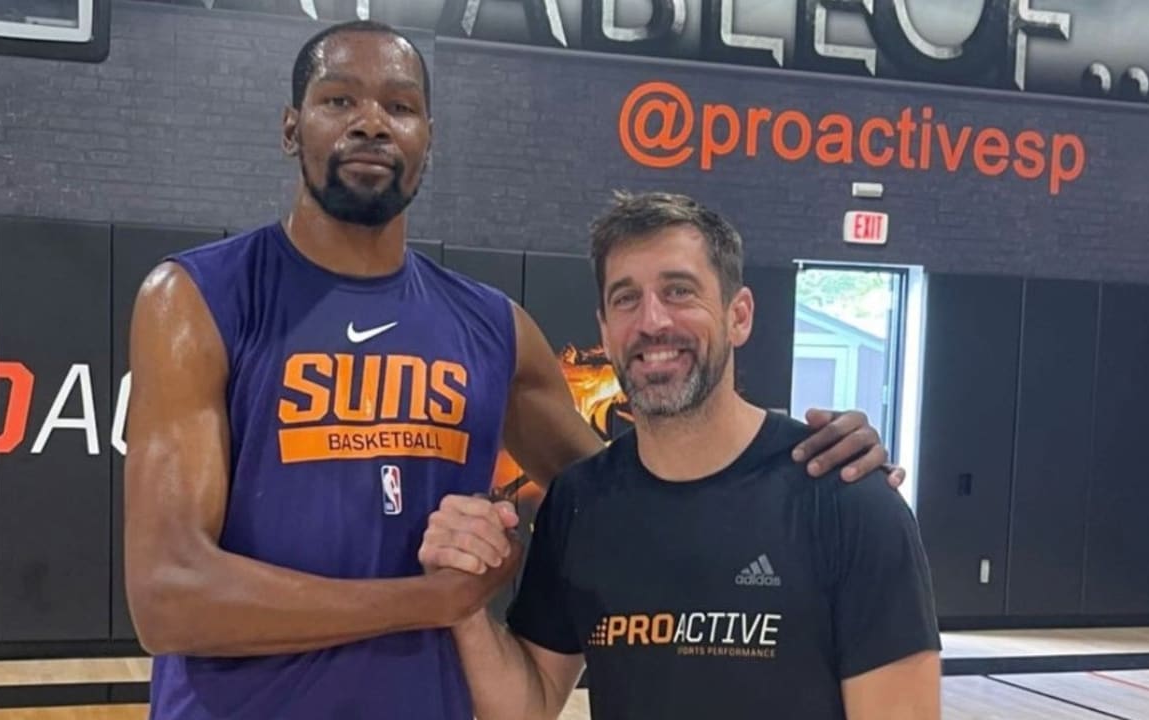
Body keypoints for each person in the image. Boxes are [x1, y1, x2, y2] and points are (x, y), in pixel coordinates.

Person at [122, 19, 903, 720]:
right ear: (292, 127)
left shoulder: (491, 327)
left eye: (399, 106)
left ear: (429, 135)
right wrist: (426, 601)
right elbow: (168, 600)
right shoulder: (198, 299)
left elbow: (638, 495)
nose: (370, 122)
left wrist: (804, 468)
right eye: (338, 100)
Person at [418, 191, 942, 720]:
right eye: (626, 298)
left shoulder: (845, 498)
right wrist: (462, 601)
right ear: (604, 330)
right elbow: (526, 706)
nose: (652, 321)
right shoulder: (579, 502)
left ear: (738, 316)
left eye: (679, 291)